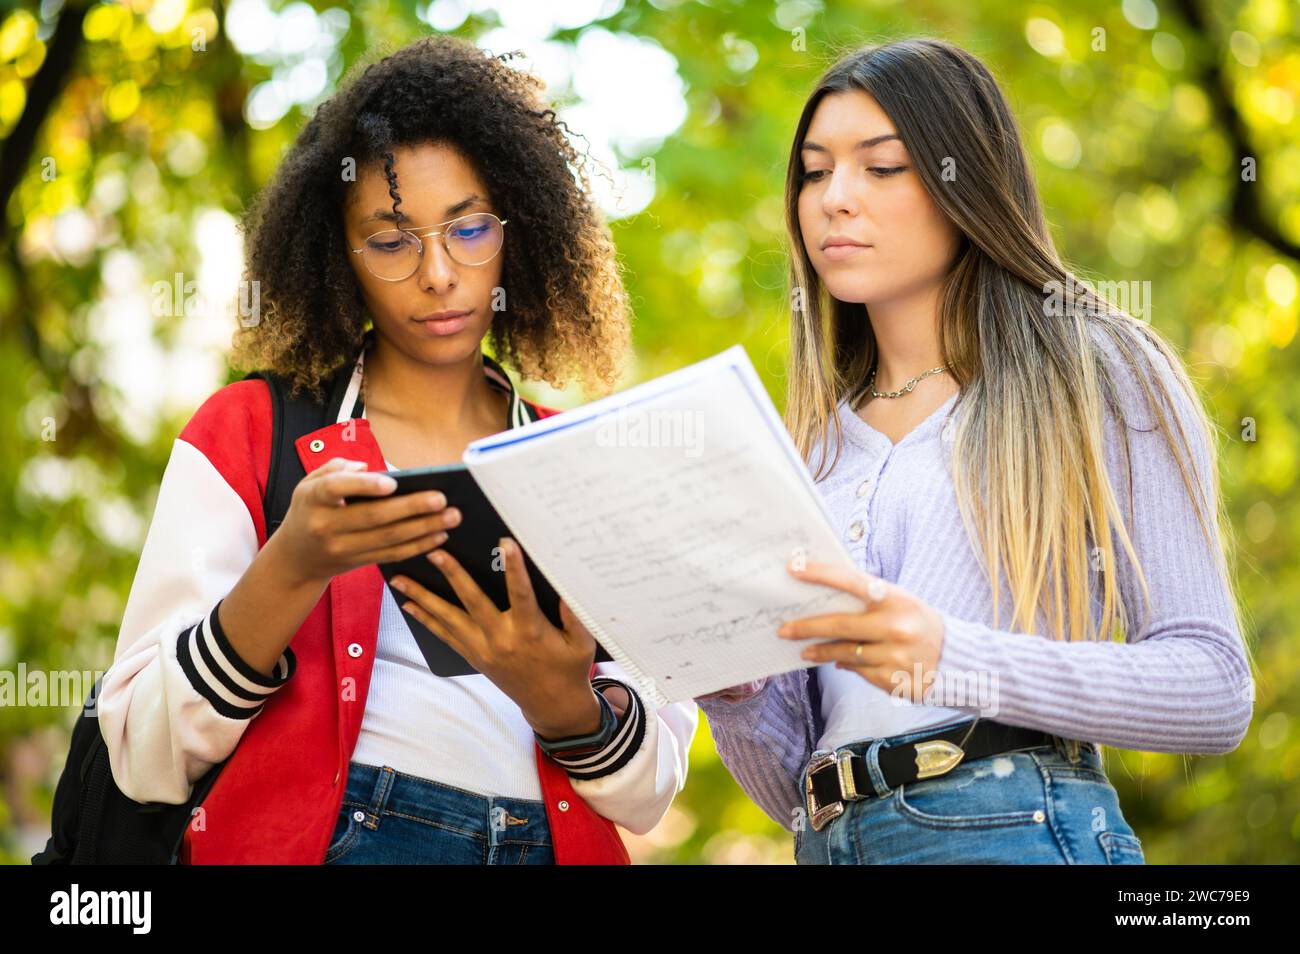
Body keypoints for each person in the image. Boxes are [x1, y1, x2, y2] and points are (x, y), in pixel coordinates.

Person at [98, 35, 696, 865]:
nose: (440, 273)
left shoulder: (581, 460)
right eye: (390, 241)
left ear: (517, 232)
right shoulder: (247, 433)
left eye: (470, 228)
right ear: (337, 259)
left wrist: (568, 706)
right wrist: (290, 568)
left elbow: (654, 789)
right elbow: (140, 755)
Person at [697, 37, 1254, 865]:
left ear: (969, 183)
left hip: (1013, 829)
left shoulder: (1096, 370)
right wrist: (732, 686)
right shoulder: (805, 448)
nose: (834, 199)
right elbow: (796, 788)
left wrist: (953, 659)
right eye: (814, 171)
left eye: (880, 167)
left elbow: (1214, 691)